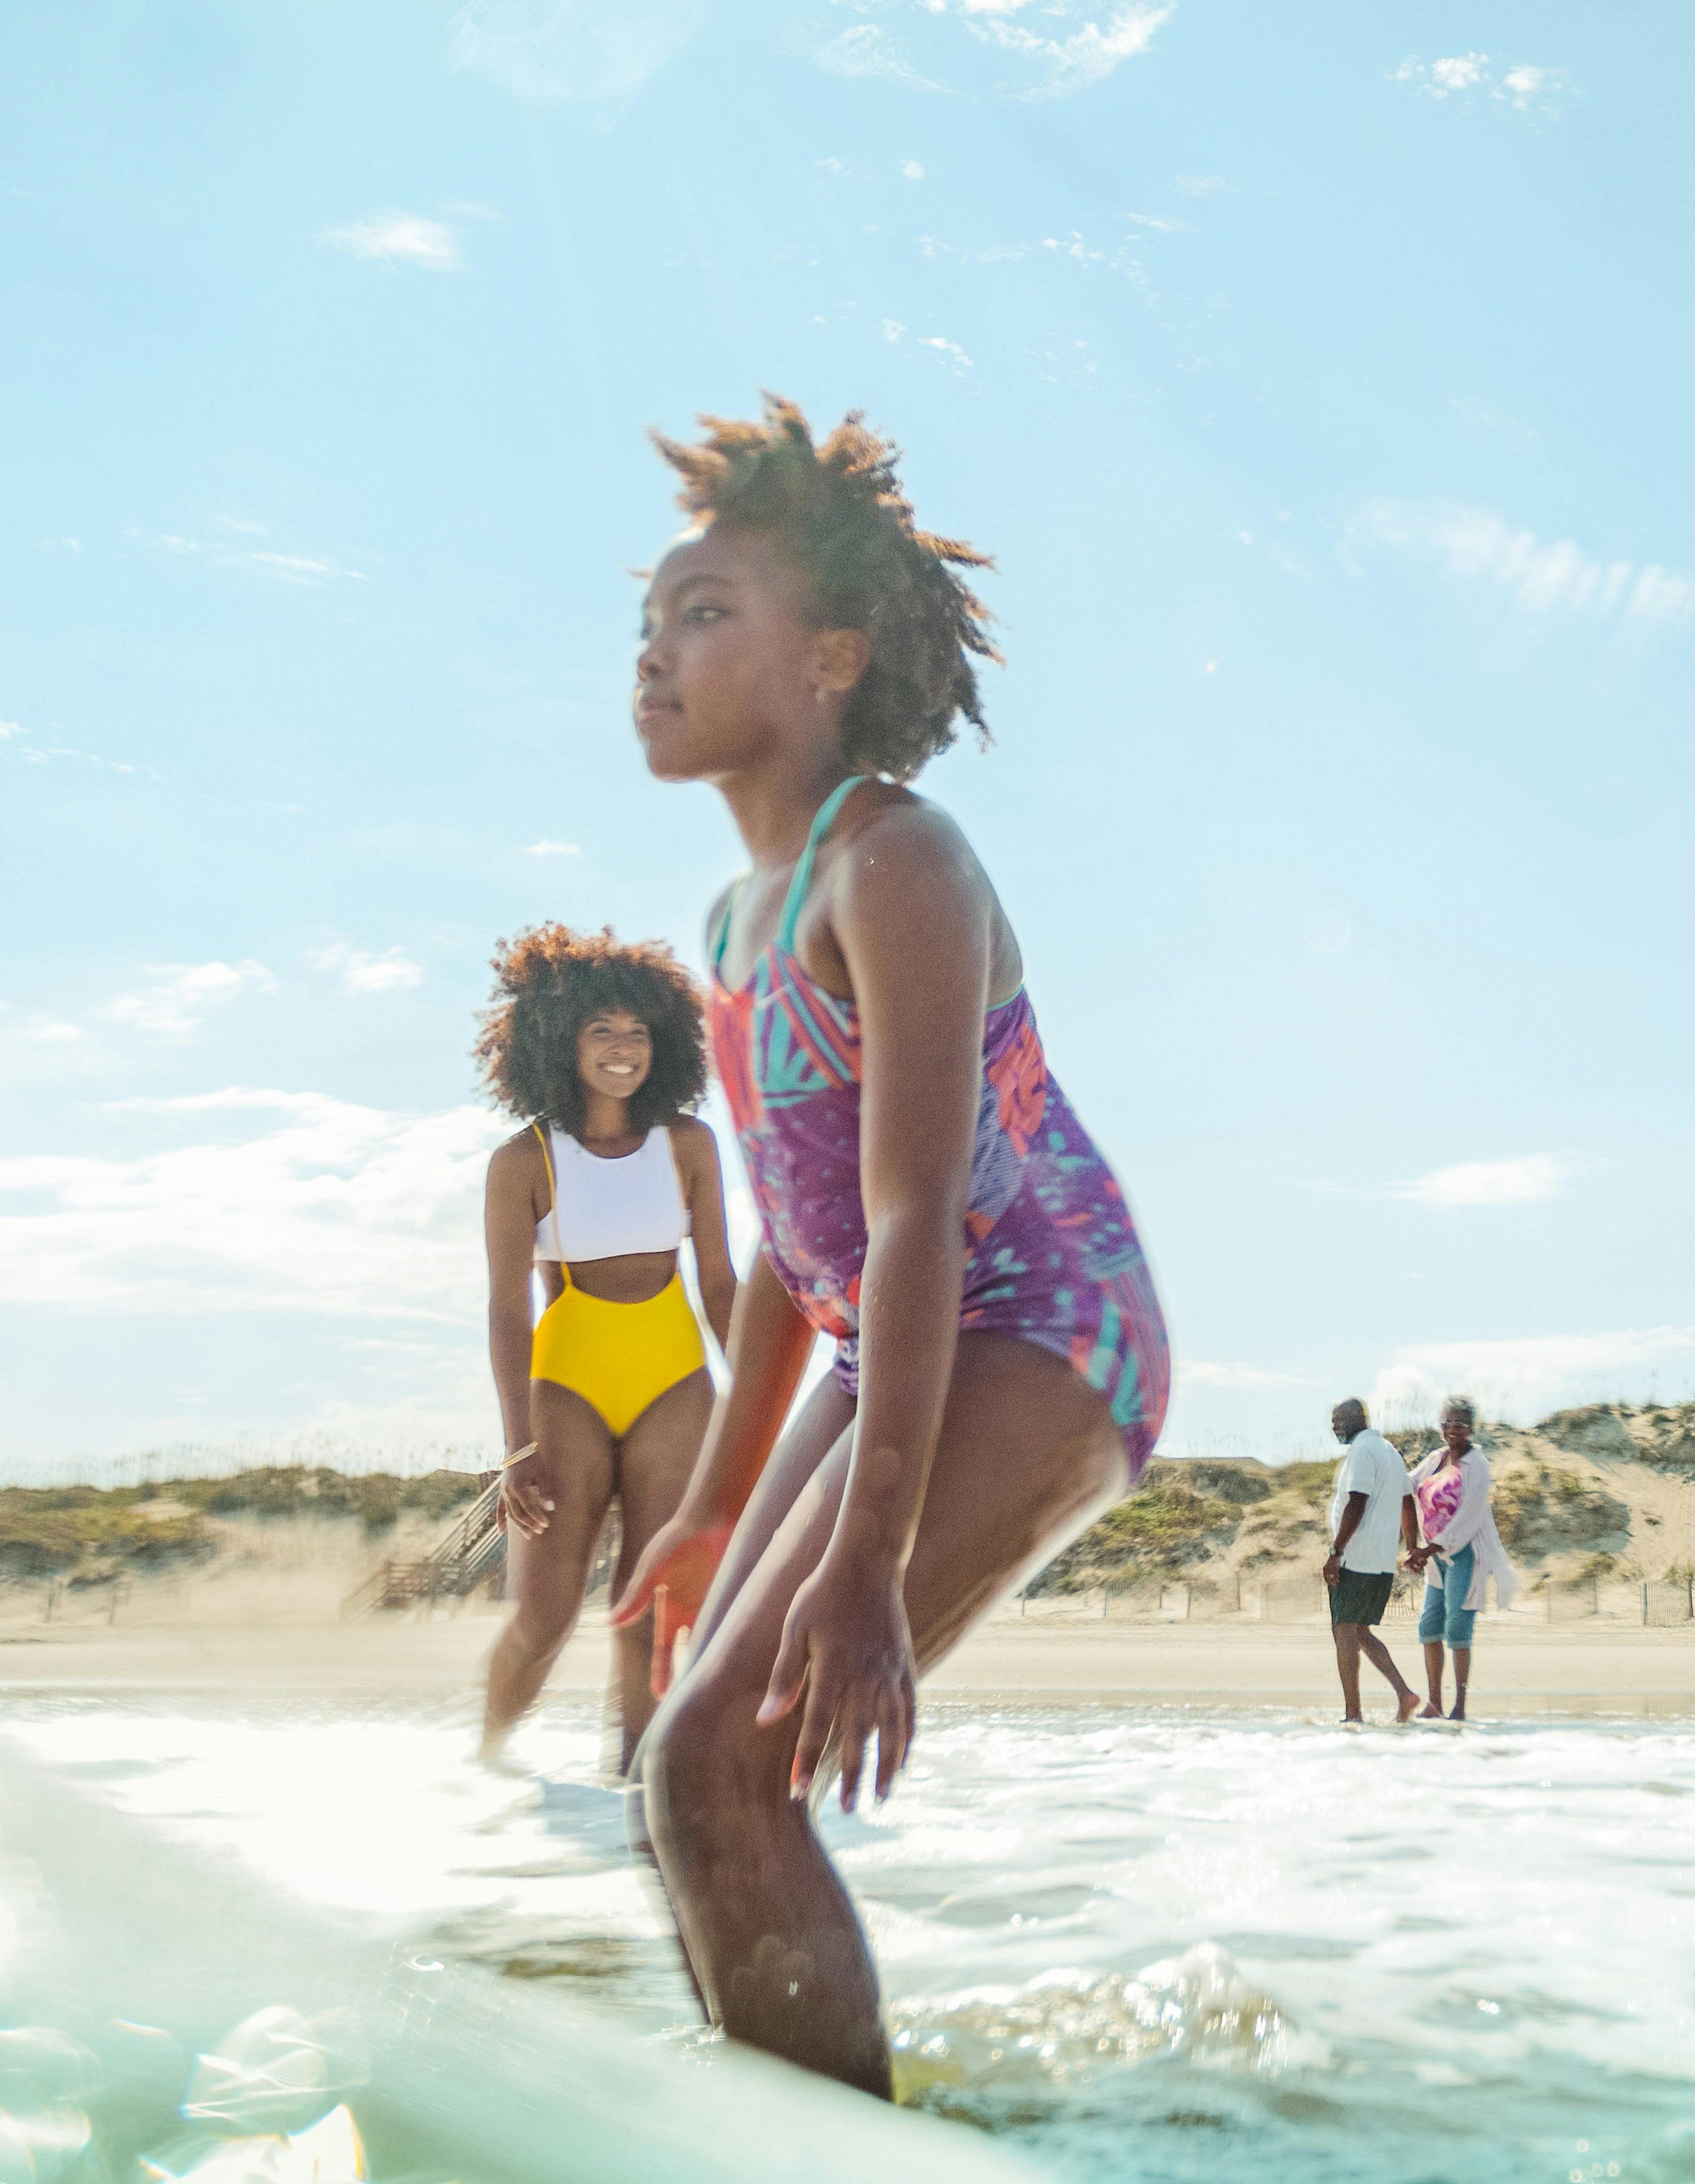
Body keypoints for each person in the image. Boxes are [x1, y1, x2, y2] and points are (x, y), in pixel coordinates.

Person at [614, 399, 1171, 2094]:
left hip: (1044, 1327)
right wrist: (717, 1506)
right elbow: (806, 1244)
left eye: (706, 614)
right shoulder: (730, 928)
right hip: (891, 1344)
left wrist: (865, 1555)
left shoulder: (897, 863)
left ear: (832, 657)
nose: (653, 652)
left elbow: (923, 1215)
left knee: (717, 1763)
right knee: (685, 1764)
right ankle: (809, 2160)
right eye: (647, 621)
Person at [470, 928, 737, 1769]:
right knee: (543, 1619)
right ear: (558, 1040)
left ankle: (635, 1795)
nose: (623, 1051)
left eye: (638, 1033)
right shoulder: (524, 1161)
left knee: (650, 1608)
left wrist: (769, 1410)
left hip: (675, 1380)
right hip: (568, 1386)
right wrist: (517, 1444)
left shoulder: (689, 1143)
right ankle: (484, 1770)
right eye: (601, 1031)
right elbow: (508, 1309)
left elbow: (722, 1284)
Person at [1409, 1391, 1517, 1720]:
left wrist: (1428, 1548)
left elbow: (1469, 1518)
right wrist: (1415, 1546)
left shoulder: (1477, 1465)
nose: (1453, 1430)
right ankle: (1434, 1702)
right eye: (1447, 1424)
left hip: (1466, 1553)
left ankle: (1459, 1706)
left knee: (1458, 1627)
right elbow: (1409, 1485)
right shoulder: (1435, 1458)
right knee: (1429, 1626)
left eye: (1460, 1424)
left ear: (1471, 1427)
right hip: (1435, 1557)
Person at [1321, 1396, 1423, 1724]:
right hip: (1379, 1562)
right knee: (1360, 1632)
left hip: (1357, 1559)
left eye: (1338, 1420)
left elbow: (1357, 1502)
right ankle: (1405, 1695)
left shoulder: (1363, 1452)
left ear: (1357, 1419)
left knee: (1344, 1632)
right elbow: (1408, 1502)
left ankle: (1353, 1715)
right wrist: (1411, 1546)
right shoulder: (1390, 1452)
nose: (1334, 1426)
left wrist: (1337, 1552)